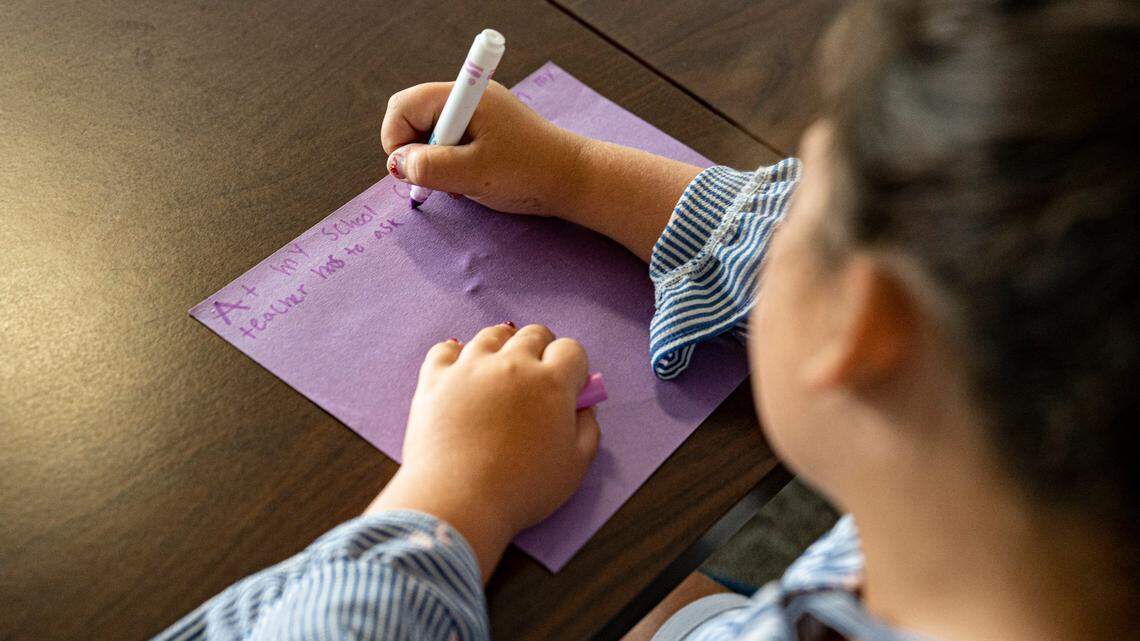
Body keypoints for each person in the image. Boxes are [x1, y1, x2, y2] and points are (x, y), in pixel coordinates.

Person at [154, 1, 1139, 639]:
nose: (775, 211)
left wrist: (454, 496)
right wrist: (574, 176)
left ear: (859, 324)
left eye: (808, 203)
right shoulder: (1025, 530)